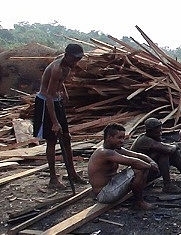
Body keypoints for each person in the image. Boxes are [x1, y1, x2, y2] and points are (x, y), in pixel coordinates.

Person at [32, 43, 87, 188]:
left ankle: (72, 173)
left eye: (79, 59)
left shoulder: (67, 65)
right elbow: (49, 96)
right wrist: (55, 122)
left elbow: (59, 83)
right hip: (46, 102)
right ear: (67, 55)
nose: (77, 62)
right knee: (52, 140)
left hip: (56, 100)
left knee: (67, 137)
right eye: (75, 58)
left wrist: (65, 93)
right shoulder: (56, 68)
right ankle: (53, 179)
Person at [88, 123, 158, 210]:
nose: (122, 141)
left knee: (142, 167)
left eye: (123, 138)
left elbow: (137, 155)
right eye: (119, 138)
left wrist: (152, 162)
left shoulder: (114, 149)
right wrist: (150, 166)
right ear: (109, 137)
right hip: (104, 194)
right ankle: (139, 202)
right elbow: (134, 162)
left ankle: (138, 196)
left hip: (111, 186)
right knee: (139, 169)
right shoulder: (104, 152)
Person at [131, 118, 181, 194]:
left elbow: (167, 147)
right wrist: (175, 146)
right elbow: (168, 149)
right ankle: (167, 185)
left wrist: (173, 147)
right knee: (164, 154)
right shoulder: (144, 140)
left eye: (160, 128)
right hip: (140, 174)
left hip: (150, 168)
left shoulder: (153, 137)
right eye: (157, 129)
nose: (160, 131)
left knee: (174, 153)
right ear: (150, 130)